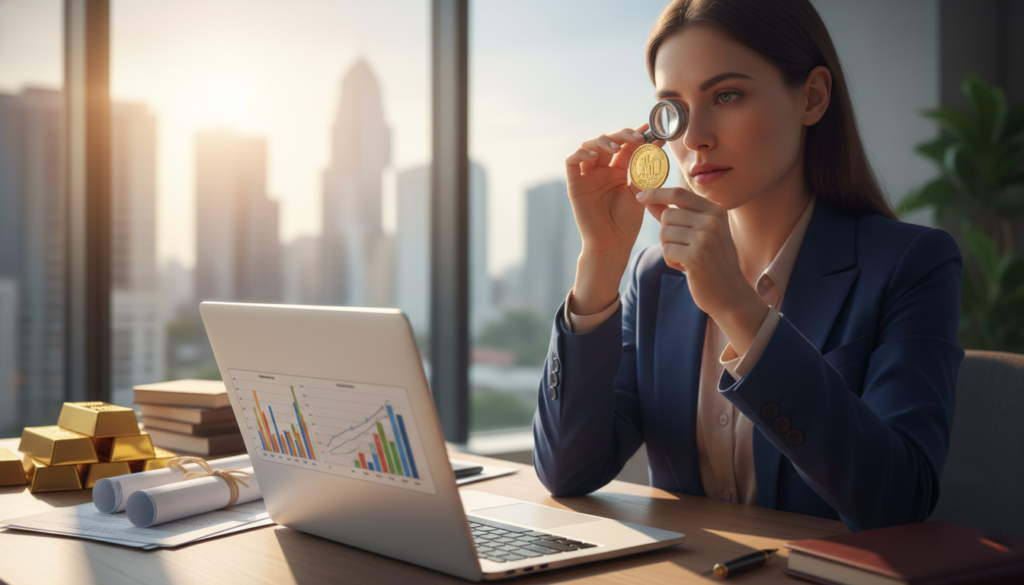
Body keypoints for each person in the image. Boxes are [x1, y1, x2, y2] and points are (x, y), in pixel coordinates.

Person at [532, 0, 963, 532]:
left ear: (812, 97)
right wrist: (599, 261)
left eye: (727, 95)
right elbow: (566, 471)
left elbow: (899, 498)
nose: (694, 138)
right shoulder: (655, 277)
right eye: (675, 110)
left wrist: (740, 308)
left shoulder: (911, 265)